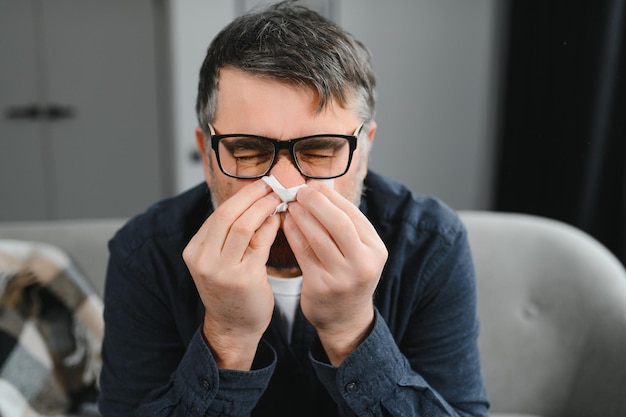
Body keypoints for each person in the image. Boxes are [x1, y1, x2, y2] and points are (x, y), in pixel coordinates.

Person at [98, 2, 489, 416]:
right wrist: (227, 338)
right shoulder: (143, 253)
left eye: (320, 150)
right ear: (207, 153)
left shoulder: (431, 244)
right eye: (248, 150)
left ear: (364, 150)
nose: (285, 185)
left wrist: (350, 329)